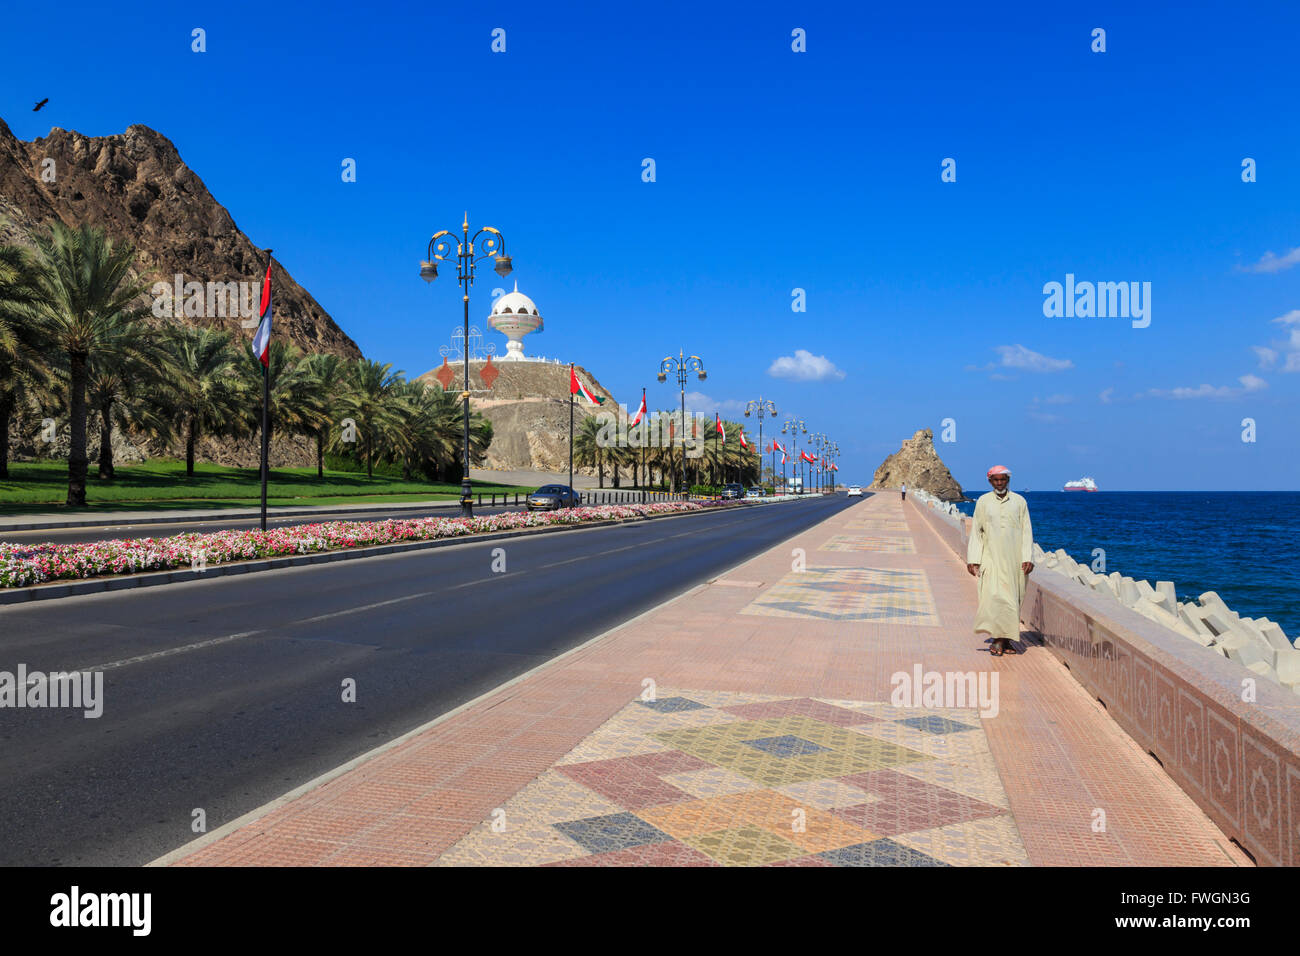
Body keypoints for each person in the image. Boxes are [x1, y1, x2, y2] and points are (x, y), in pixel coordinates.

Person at [966, 465, 1033, 657]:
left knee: (1012, 600)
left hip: (1015, 560)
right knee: (994, 598)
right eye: (996, 480)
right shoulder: (983, 502)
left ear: (1008, 480)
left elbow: (1027, 531)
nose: (1000, 483)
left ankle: (1005, 639)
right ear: (990, 481)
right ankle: (998, 638)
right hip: (991, 558)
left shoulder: (1020, 502)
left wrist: (1028, 557)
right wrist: (973, 559)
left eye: (1003, 479)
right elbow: (977, 532)